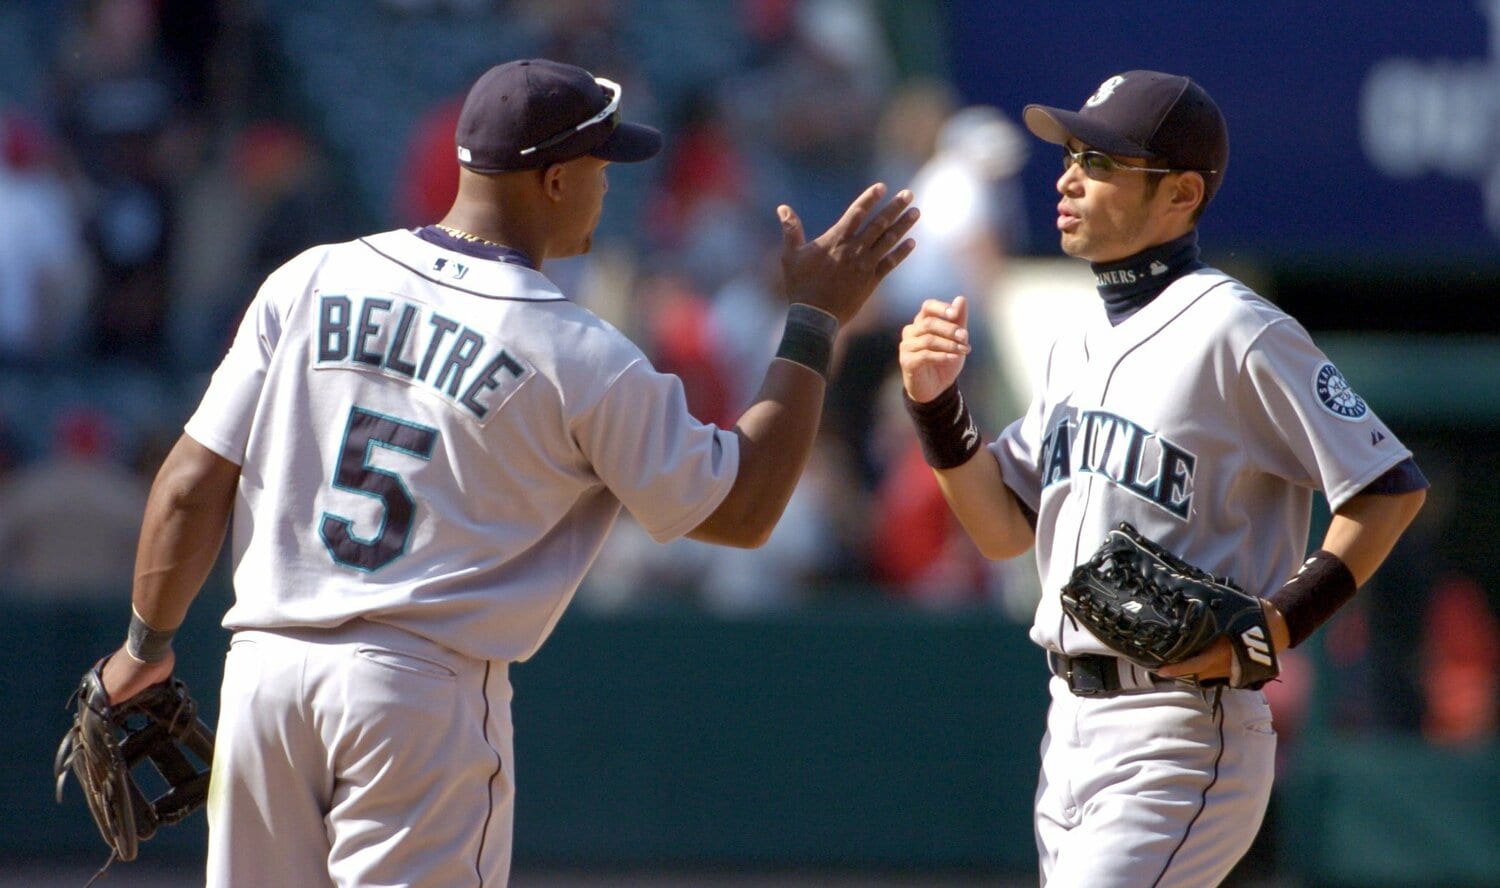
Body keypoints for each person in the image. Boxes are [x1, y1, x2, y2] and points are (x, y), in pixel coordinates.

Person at [84, 57, 917, 887]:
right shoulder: (577, 353)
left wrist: (143, 648)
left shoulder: (309, 280)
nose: (608, 184)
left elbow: (190, 484)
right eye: (599, 164)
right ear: (554, 180)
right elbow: (742, 509)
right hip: (416, 697)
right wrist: (814, 319)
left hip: (265, 675)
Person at [898, 70, 1428, 886]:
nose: (1069, 178)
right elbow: (1003, 528)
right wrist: (937, 409)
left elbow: (1388, 487)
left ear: (1181, 193)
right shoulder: (1074, 341)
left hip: (1182, 728)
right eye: (1071, 156)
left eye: (1101, 161)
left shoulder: (1236, 327)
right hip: (1069, 725)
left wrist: (1277, 623)